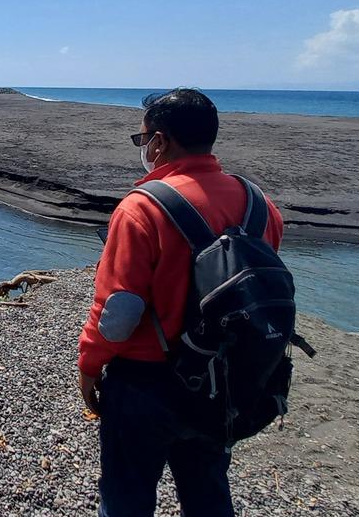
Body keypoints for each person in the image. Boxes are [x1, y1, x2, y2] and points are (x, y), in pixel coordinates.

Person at [77, 88, 284, 517]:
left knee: (126, 493)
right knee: (207, 488)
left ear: (160, 141)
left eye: (142, 140)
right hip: (224, 379)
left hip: (145, 383)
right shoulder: (260, 206)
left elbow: (118, 313)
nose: (143, 149)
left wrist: (89, 367)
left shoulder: (141, 209)